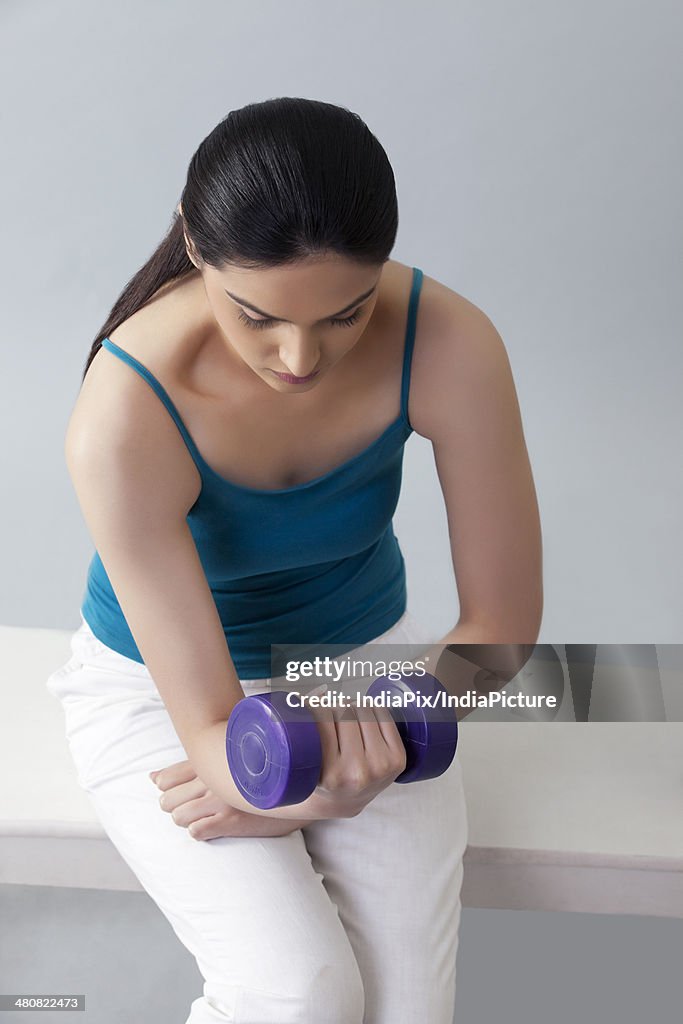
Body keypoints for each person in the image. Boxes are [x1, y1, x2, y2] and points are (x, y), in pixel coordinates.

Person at [46, 96, 543, 1023]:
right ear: (196, 247)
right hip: (161, 694)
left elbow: (501, 633)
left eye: (346, 316)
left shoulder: (448, 341)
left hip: (363, 673)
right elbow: (209, 733)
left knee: (407, 1009)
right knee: (296, 992)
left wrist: (375, 739)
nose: (300, 357)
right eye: (257, 316)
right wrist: (297, 797)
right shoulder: (125, 411)